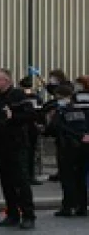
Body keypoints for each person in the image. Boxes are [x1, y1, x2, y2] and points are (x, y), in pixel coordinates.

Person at [0, 68, 35, 230]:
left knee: (21, 181)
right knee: (6, 182)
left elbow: (30, 115)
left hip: (17, 144)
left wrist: (13, 117)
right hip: (2, 144)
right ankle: (12, 213)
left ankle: (28, 215)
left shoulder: (19, 96)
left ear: (7, 81)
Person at [44, 80, 88, 217]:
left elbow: (53, 128)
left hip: (66, 147)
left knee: (67, 178)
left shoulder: (60, 111)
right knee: (80, 178)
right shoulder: (81, 109)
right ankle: (82, 206)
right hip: (83, 147)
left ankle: (68, 206)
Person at [19, 76, 42, 185]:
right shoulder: (36, 97)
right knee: (31, 153)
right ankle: (30, 175)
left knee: (24, 153)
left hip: (23, 127)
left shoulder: (19, 97)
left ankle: (25, 176)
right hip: (33, 127)